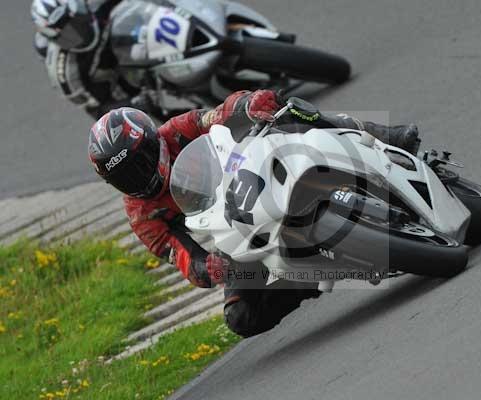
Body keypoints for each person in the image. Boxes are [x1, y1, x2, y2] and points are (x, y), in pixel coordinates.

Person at [88, 89, 420, 337]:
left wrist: (248, 103)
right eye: (126, 177)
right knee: (241, 317)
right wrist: (208, 268)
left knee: (285, 112)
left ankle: (380, 136)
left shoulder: (176, 130)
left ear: (152, 142)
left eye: (141, 163)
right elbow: (178, 254)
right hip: (234, 227)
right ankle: (311, 277)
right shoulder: (141, 214)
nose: (140, 178)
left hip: (253, 169)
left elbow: (216, 114)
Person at [31, 0, 157, 119]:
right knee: (140, 123)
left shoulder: (94, 3)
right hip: (110, 78)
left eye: (76, 20)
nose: (78, 33)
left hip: (126, 38)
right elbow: (98, 110)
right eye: (66, 34)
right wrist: (136, 103)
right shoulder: (65, 73)